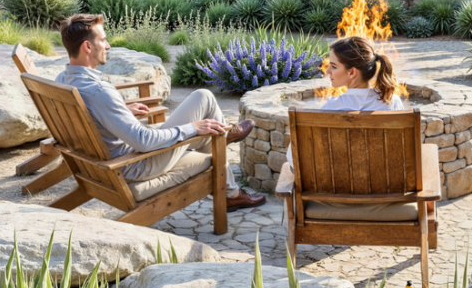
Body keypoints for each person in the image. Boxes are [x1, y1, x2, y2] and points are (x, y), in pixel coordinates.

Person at [58, 13, 265, 210]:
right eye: (103, 40)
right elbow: (143, 140)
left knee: (204, 103)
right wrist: (192, 128)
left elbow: (90, 118)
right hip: (136, 165)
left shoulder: (63, 80)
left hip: (105, 164)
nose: (108, 45)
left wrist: (122, 111)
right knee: (206, 103)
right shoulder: (98, 91)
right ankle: (226, 154)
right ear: (87, 46)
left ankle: (229, 181)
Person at [313, 35, 408, 111]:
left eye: (334, 66)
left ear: (352, 72)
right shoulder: (393, 102)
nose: (327, 71)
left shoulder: (331, 107)